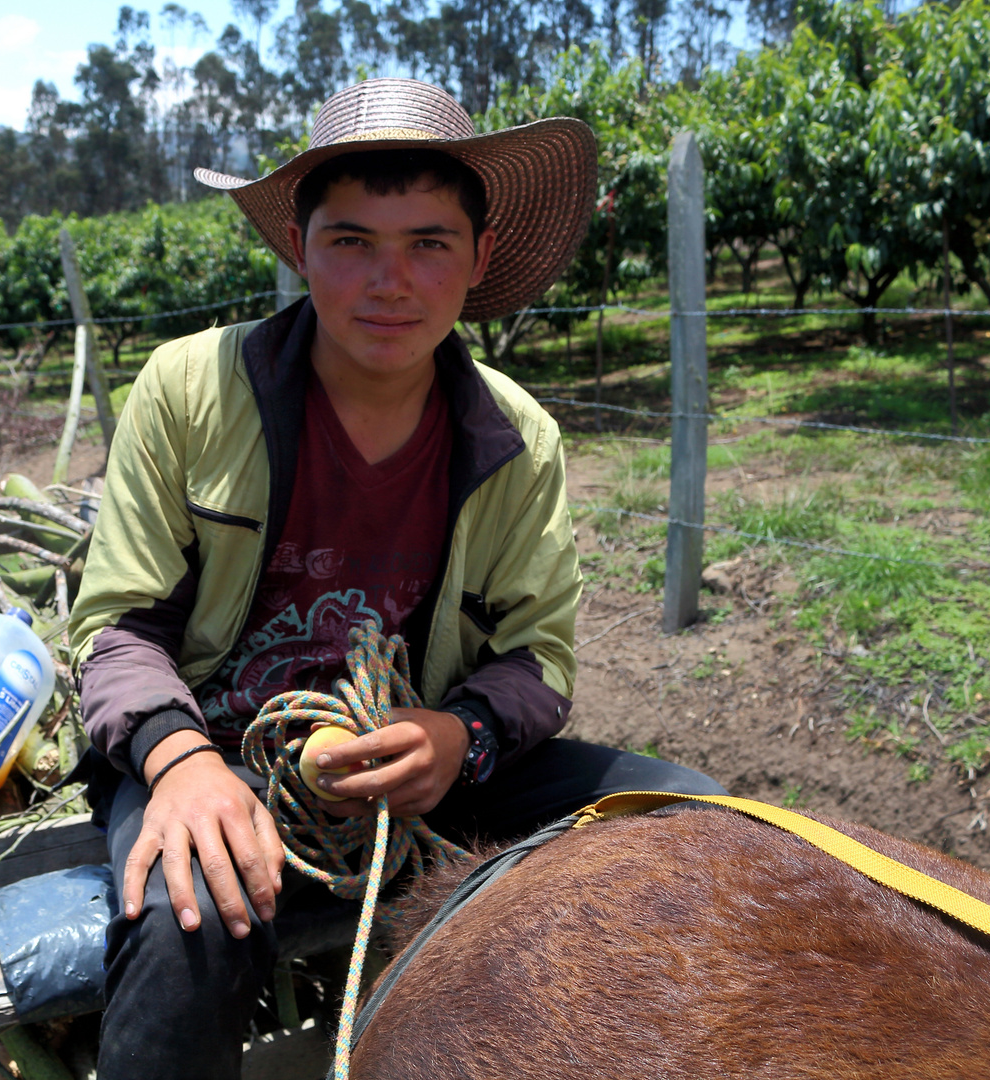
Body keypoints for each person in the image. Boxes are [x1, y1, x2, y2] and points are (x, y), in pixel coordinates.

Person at [67, 77, 726, 1079]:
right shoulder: (191, 390)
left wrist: (457, 736)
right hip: (229, 754)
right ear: (299, 246)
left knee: (691, 817)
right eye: (351, 243)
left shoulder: (516, 440)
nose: (391, 282)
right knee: (189, 917)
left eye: (428, 243)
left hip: (424, 760)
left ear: (479, 259)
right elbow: (118, 625)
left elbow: (535, 661)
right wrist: (181, 763)